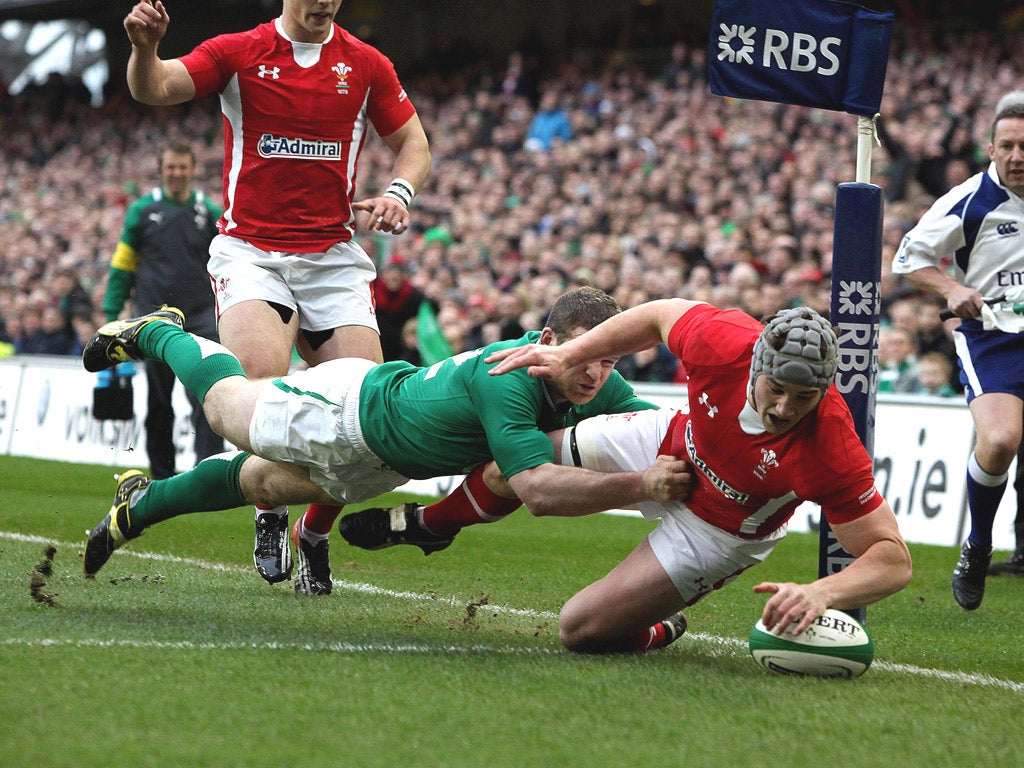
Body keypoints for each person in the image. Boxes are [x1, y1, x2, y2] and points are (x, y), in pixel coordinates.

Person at [81, 289, 692, 640]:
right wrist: (638, 483)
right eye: (586, 354)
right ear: (549, 341)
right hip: (348, 412)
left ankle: (141, 505)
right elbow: (534, 488)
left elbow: (662, 429)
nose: (595, 373)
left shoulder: (595, 383)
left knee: (258, 480)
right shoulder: (513, 376)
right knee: (222, 406)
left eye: (608, 361)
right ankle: (158, 333)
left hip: (384, 466)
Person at [122, 0, 432, 592]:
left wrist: (398, 191)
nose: (327, 2)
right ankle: (269, 510)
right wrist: (144, 49)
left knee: (360, 426)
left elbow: (414, 144)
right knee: (261, 396)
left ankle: (312, 535)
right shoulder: (239, 52)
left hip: (333, 260)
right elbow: (155, 87)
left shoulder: (365, 64)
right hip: (253, 253)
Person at [485, 301, 911, 653]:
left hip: (720, 530)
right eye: (775, 389)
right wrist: (568, 354)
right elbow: (655, 317)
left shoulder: (830, 445)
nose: (784, 409)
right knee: (509, 468)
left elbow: (892, 559)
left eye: (803, 398)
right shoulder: (724, 342)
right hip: (670, 442)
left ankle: (659, 624)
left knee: (578, 629)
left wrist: (823, 593)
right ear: (754, 367)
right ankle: (427, 527)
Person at [891, 95, 1024, 610]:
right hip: (992, 335)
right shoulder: (969, 200)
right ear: (990, 149)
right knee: (1000, 440)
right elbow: (909, 257)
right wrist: (950, 290)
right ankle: (978, 545)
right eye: (1007, 146)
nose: (1017, 155)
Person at [102, 140, 225, 479]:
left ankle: (208, 473)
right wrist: (112, 311)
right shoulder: (142, 210)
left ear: (193, 170)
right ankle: (162, 476)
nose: (177, 173)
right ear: (161, 169)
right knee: (159, 401)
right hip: (153, 322)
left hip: (200, 320)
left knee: (208, 397)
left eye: (183, 167)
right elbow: (123, 264)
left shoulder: (210, 213)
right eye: (171, 167)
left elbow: (224, 265)